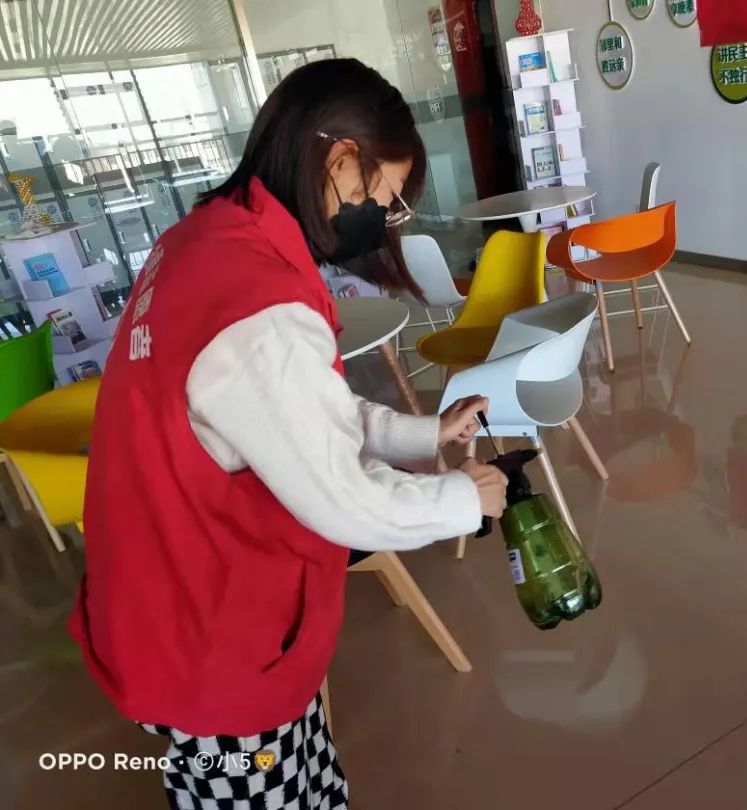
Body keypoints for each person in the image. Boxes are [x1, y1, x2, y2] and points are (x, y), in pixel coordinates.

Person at [69, 59, 507, 810]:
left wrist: (424, 434)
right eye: (387, 196)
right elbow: (343, 497)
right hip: (213, 638)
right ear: (341, 162)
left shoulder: (205, 242)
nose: (385, 218)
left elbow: (293, 413)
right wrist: (463, 500)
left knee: (309, 784)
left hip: (179, 602)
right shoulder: (257, 305)